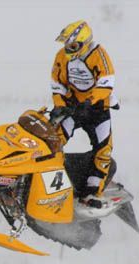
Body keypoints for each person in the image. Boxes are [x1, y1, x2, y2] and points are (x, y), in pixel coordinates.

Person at [50, 20, 119, 208]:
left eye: (73, 46)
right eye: (66, 45)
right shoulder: (61, 57)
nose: (68, 50)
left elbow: (106, 80)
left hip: (97, 109)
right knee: (52, 141)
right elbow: (57, 84)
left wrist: (91, 101)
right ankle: (50, 184)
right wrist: (59, 105)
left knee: (103, 150)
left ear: (84, 42)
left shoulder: (99, 55)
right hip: (72, 108)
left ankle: (92, 191)